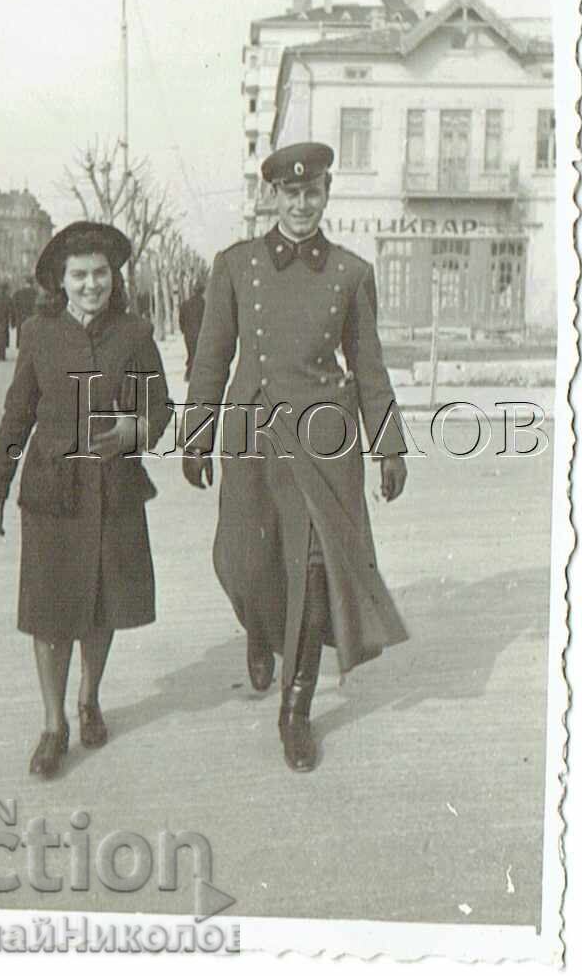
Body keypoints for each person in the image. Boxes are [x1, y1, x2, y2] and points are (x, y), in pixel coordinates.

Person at [181, 142, 408, 773]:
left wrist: (388, 444)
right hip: (252, 434)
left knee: (311, 571)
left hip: (324, 442)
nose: (302, 204)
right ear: (272, 198)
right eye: (290, 193)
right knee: (247, 562)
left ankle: (296, 711)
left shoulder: (350, 273)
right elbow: (210, 358)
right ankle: (259, 627)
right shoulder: (235, 265)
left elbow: (368, 367)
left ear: (327, 195)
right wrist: (197, 432)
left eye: (313, 193)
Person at [0, 221, 172, 780]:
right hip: (52, 493)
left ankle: (89, 699)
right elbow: (19, 411)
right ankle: (52, 724)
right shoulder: (39, 334)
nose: (92, 285)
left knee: (101, 606)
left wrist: (132, 434)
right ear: (60, 282)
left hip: (113, 492)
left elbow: (160, 409)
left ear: (114, 277)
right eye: (79, 275)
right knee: (48, 613)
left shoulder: (135, 334)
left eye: (100, 274)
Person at [178, 278, 207, 382]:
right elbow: (206, 320)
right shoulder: (204, 304)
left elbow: (181, 319)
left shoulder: (185, 304)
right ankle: (191, 374)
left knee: (191, 353)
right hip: (200, 333)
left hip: (188, 334)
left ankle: (190, 374)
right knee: (197, 354)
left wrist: (183, 330)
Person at [12, 276, 37, 348]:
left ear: (25, 283)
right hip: (32, 318)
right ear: (32, 283)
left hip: (20, 318)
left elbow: (14, 307)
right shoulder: (35, 293)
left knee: (21, 335)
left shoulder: (18, 293)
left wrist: (14, 319)